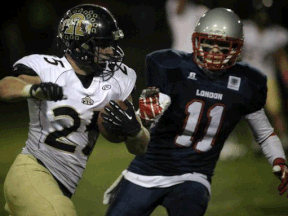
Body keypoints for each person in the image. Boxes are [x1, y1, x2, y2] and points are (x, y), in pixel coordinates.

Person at [103, 8, 288, 216]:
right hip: (147, 170)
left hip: (194, 176)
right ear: (196, 42)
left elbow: (264, 133)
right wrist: (144, 117)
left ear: (237, 48)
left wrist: (278, 159)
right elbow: (149, 116)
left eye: (224, 45)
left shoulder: (245, 82)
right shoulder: (173, 67)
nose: (215, 51)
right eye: (209, 43)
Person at [0, 4, 150, 216]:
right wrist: (31, 90)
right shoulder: (48, 69)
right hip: (32, 171)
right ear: (80, 44)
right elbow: (6, 86)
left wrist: (136, 131)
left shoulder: (118, 80)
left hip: (62, 185)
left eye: (112, 43)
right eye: (104, 44)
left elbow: (140, 148)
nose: (111, 51)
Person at [242, 0, 288, 151]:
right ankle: (258, 141)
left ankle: (283, 139)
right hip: (247, 75)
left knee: (275, 110)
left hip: (267, 75)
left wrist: (286, 76)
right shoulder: (245, 29)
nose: (262, 17)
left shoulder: (276, 33)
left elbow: (280, 58)